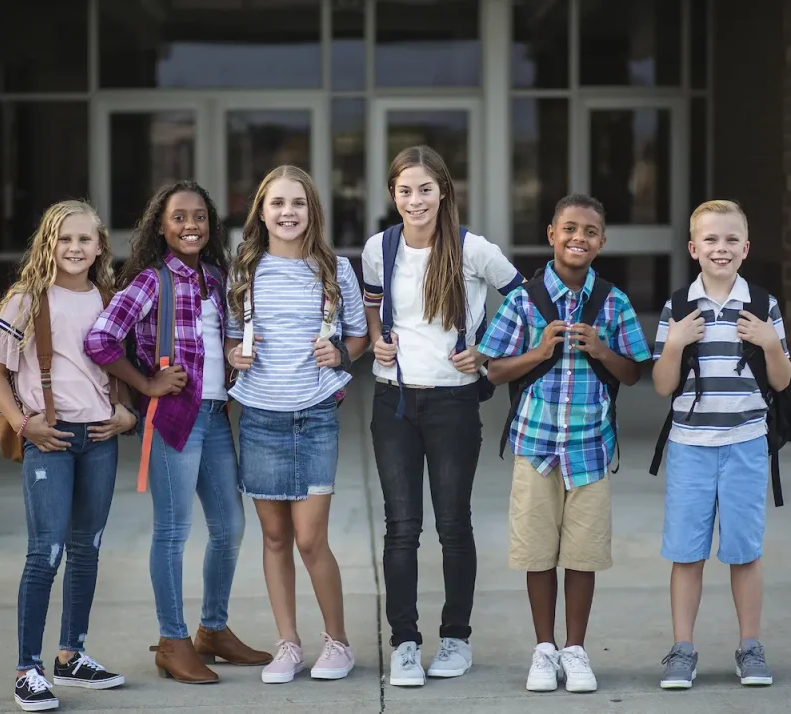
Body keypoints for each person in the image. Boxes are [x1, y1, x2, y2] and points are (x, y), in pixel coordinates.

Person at [84, 180, 271, 685]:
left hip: (214, 418)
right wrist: (146, 382)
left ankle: (213, 630)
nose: (191, 226)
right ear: (161, 227)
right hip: (173, 420)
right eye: (180, 218)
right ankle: (173, 639)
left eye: (200, 218)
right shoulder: (149, 280)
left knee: (229, 526)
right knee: (172, 532)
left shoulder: (216, 276)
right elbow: (101, 339)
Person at [360, 145, 524, 687]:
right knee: (402, 528)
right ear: (392, 196)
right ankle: (404, 642)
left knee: (453, 526)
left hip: (454, 402)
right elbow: (373, 306)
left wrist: (488, 353)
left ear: (444, 192)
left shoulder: (472, 249)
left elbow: (525, 299)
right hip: (395, 402)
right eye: (405, 190)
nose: (415, 200)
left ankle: (456, 638)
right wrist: (380, 340)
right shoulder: (378, 248)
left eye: (425, 189)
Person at [478, 193, 651, 693]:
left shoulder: (613, 302)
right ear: (552, 234)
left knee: (582, 554)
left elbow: (634, 372)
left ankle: (575, 649)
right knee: (537, 552)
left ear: (602, 242)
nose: (579, 238)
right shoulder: (524, 300)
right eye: (569, 229)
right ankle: (544, 649)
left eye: (590, 231)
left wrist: (602, 350)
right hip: (535, 446)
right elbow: (493, 369)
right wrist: (538, 351)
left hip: (591, 448)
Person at [0, 200, 133, 712]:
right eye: (64, 239)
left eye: (85, 240)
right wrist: (26, 425)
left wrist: (126, 413)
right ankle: (29, 667)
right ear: (48, 243)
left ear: (100, 246)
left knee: (86, 548)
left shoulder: (110, 298)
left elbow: (122, 368)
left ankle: (72, 654)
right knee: (44, 552)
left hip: (100, 437)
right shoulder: (27, 300)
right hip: (50, 437)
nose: (74, 248)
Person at [224, 165, 369, 684]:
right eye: (278, 203)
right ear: (261, 212)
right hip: (261, 415)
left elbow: (358, 338)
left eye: (298, 203)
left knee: (310, 538)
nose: (288, 212)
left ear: (313, 211)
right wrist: (232, 357)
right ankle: (287, 643)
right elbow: (231, 337)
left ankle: (338, 641)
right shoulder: (244, 271)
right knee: (275, 536)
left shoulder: (335, 270)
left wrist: (340, 354)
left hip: (314, 415)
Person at [651, 200, 791, 690]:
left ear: (746, 248)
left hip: (746, 444)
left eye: (731, 240)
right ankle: (682, 650)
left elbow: (782, 379)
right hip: (691, 446)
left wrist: (771, 343)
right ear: (693, 249)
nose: (721, 248)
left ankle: (750, 646)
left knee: (744, 551)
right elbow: (663, 386)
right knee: (686, 553)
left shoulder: (762, 305)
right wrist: (674, 344)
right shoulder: (679, 307)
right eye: (710, 240)